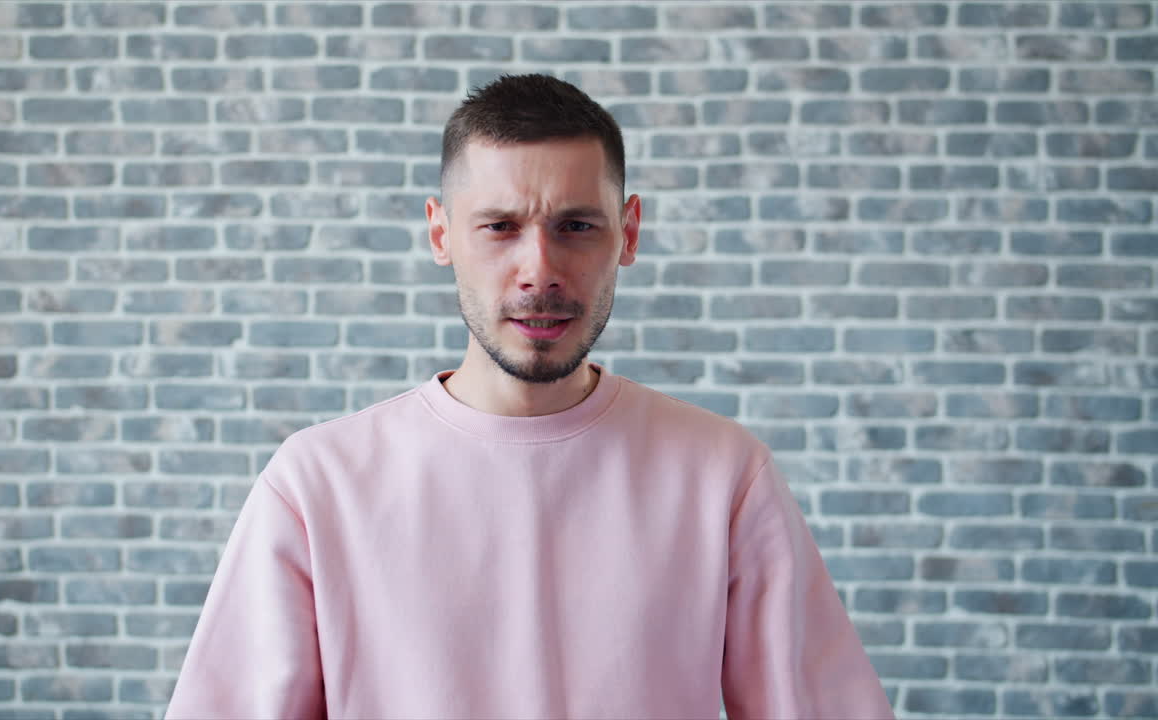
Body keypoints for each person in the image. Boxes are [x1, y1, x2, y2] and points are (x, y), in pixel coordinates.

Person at [165, 74, 895, 720]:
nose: (538, 269)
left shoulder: (725, 478)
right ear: (441, 232)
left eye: (576, 226)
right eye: (500, 227)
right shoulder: (316, 486)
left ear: (629, 233)